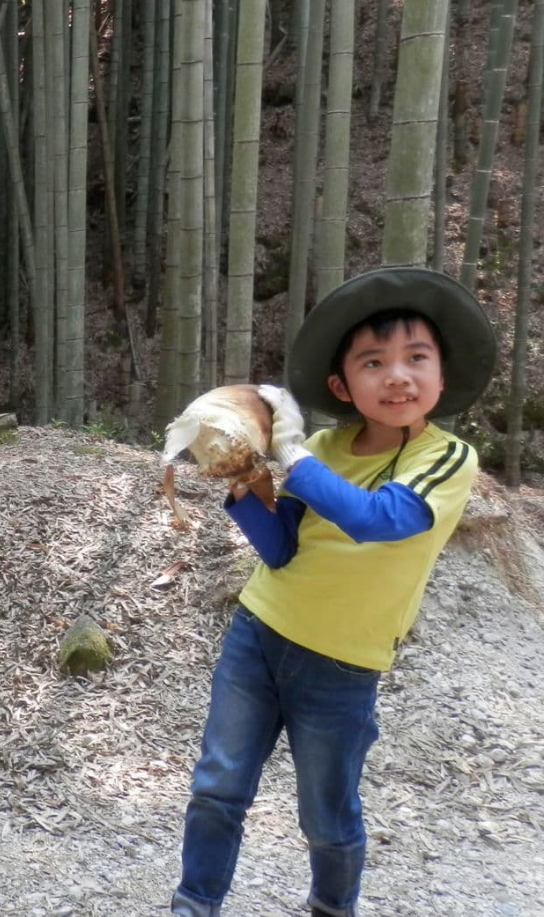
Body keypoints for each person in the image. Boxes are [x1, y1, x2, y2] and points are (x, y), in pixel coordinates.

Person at [170, 266, 497, 917]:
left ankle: (330, 907)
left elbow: (380, 521)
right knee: (218, 788)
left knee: (326, 814)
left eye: (416, 358)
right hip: (259, 634)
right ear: (341, 385)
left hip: (344, 665)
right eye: (373, 362)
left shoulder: (449, 459)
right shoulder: (323, 446)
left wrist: (293, 459)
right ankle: (193, 906)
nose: (397, 375)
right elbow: (281, 547)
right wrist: (242, 483)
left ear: (441, 375)